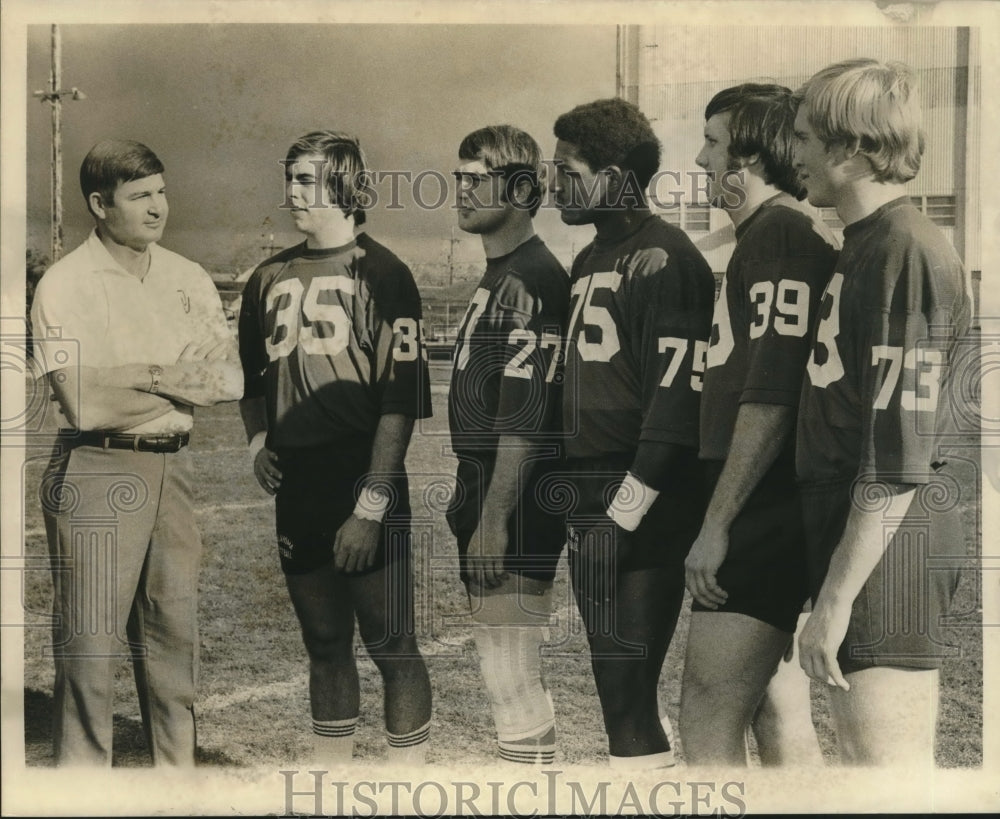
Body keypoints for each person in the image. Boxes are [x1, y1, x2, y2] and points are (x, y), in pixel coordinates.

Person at [31, 139, 244, 766]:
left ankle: (176, 790)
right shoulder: (65, 284)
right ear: (100, 205)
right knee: (90, 655)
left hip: (172, 468)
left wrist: (123, 375)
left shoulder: (187, 276)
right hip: (96, 466)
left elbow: (228, 383)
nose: (158, 208)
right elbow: (84, 406)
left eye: (161, 192)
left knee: (173, 647)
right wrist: (166, 375)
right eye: (139, 196)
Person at [792, 59, 972, 766]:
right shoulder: (864, 241)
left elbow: (897, 459)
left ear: (851, 145)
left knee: (887, 776)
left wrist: (836, 599)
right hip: (858, 527)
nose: (794, 153)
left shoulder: (906, 248)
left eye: (806, 136)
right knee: (864, 765)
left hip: (891, 540)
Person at [238, 130, 432, 765]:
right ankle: (332, 789)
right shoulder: (266, 275)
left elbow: (400, 401)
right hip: (299, 482)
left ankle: (407, 791)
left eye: (306, 180)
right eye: (289, 178)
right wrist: (259, 440)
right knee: (323, 641)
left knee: (391, 644)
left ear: (346, 186)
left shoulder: (385, 272)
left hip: (361, 472)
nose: (291, 191)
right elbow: (249, 378)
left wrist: (372, 505)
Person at [550, 98, 715, 769]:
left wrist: (619, 519)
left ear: (613, 175)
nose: (553, 182)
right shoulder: (592, 253)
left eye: (567, 168)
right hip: (592, 486)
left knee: (626, 693)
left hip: (644, 490)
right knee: (617, 690)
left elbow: (674, 406)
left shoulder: (666, 257)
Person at [679, 84, 838, 765]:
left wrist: (718, 523)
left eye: (714, 144)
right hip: (771, 497)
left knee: (707, 711)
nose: (701, 158)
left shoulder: (778, 236)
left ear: (750, 156)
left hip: (763, 502)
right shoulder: (769, 236)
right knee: (775, 710)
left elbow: (771, 397)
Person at [446, 125, 569, 764]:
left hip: (512, 494)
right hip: (489, 486)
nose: (461, 187)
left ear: (521, 189)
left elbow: (526, 415)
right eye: (459, 174)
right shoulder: (502, 273)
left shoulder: (527, 279)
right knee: (504, 676)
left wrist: (493, 518)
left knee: (512, 674)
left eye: (477, 176)